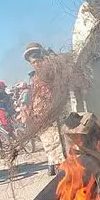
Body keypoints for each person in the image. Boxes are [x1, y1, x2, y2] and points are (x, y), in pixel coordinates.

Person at [22, 42, 65, 176]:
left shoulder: (53, 71)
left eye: (38, 60)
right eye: (33, 62)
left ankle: (62, 173)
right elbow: (32, 95)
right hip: (41, 117)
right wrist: (27, 110)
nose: (36, 64)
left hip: (54, 115)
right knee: (49, 144)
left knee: (57, 145)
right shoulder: (33, 77)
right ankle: (53, 165)